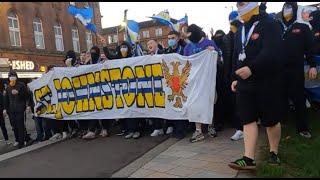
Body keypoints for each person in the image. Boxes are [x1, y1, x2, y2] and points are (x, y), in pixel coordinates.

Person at [228, 2, 283, 170]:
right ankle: (248, 157)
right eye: (237, 4)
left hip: (267, 80)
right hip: (245, 82)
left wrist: (252, 68)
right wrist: (235, 77)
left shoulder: (270, 24)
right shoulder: (241, 30)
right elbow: (238, 55)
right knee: (248, 118)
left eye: (242, 4)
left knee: (271, 119)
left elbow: (272, 51)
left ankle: (274, 152)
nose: (239, 8)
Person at [278, 2, 318, 139]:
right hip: (278, 70)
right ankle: (281, 123)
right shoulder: (277, 27)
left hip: (295, 69)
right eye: (285, 9)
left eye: (290, 8)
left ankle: (303, 128)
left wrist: (312, 65)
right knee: (279, 97)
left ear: (295, 11)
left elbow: (310, 48)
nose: (287, 11)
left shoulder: (302, 27)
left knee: (299, 98)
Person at [183, 24, 219, 143]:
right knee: (194, 104)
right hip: (194, 82)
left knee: (210, 101)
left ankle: (211, 126)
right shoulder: (188, 48)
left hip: (208, 80)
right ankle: (198, 130)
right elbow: (185, 63)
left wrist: (213, 53)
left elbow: (219, 58)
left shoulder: (209, 43)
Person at [222, 11, 244, 141]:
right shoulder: (227, 37)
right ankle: (239, 127)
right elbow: (227, 56)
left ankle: (242, 128)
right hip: (231, 74)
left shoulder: (243, 33)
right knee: (235, 102)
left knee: (242, 102)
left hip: (242, 72)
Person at [163, 31, 188, 139]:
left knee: (180, 104)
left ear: (178, 39)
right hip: (171, 82)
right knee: (172, 104)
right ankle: (173, 126)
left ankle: (181, 130)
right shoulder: (167, 51)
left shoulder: (184, 49)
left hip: (182, 80)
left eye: (172, 38)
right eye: (168, 38)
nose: (170, 40)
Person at [82, 46, 111, 140]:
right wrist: (85, 63)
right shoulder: (88, 62)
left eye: (94, 53)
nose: (92, 54)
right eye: (91, 52)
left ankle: (105, 128)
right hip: (92, 91)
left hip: (103, 89)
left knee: (103, 110)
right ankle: (91, 131)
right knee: (93, 110)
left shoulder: (102, 61)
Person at [3, 70, 30, 149]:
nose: (12, 77)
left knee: (20, 126)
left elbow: (27, 95)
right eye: (10, 76)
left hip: (20, 109)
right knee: (14, 126)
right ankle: (17, 140)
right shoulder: (8, 87)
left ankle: (22, 142)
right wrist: (6, 109)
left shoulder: (21, 85)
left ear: (16, 76)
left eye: (13, 76)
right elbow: (6, 99)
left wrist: (18, 93)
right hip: (11, 110)